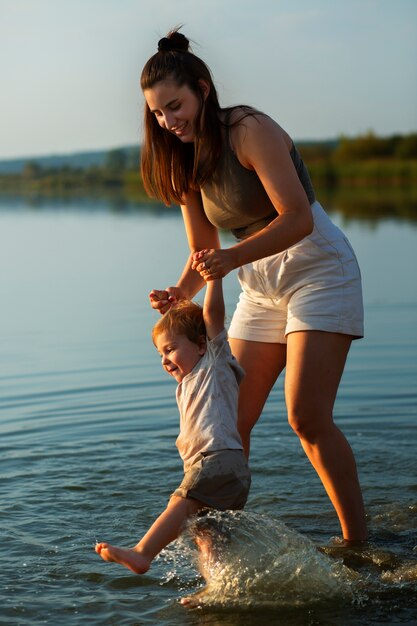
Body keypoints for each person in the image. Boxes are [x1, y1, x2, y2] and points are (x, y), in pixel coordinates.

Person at [141, 28, 368, 544]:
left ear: (202, 88)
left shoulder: (249, 128)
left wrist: (231, 258)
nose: (168, 121)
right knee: (225, 429)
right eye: (157, 113)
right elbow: (202, 249)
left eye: (175, 106)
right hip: (258, 283)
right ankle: (222, 559)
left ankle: (358, 545)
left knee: (306, 417)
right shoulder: (184, 158)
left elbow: (296, 219)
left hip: (318, 270)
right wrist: (182, 293)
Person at [95, 269, 251, 575]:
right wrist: (175, 311)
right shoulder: (190, 380)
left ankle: (142, 553)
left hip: (217, 460)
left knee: (179, 503)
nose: (165, 359)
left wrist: (214, 280)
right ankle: (215, 588)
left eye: (171, 349)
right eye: (160, 353)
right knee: (208, 538)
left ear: (202, 345)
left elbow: (213, 317)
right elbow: (188, 328)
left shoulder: (215, 363)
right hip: (218, 467)